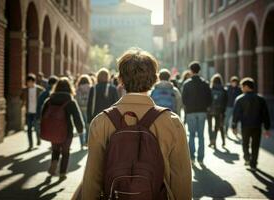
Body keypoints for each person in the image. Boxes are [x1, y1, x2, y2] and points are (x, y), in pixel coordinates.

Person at [81, 48, 192, 200]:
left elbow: (92, 177)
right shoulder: (171, 122)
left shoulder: (101, 122)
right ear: (155, 79)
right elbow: (181, 177)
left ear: (120, 80)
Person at [42, 77, 84, 179]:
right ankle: (62, 172)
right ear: (69, 88)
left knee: (55, 150)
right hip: (67, 131)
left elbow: (43, 114)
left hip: (53, 130)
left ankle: (54, 163)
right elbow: (76, 117)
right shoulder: (70, 101)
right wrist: (80, 130)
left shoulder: (50, 99)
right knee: (65, 152)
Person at [232, 77, 270, 171]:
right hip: (257, 125)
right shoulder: (261, 99)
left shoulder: (240, 99)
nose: (241, 88)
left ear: (246, 87)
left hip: (245, 126)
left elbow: (236, 114)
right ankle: (253, 164)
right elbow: (265, 114)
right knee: (255, 145)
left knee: (245, 143)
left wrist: (234, 126)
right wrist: (266, 127)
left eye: (242, 86)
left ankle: (247, 158)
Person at [181, 61, 212, 164]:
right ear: (199, 70)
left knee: (192, 135)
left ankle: (192, 158)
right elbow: (210, 99)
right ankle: (201, 158)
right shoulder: (205, 83)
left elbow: (183, 99)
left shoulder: (187, 84)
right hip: (202, 111)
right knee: (201, 135)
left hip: (190, 112)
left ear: (191, 70)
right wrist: (206, 106)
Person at [21, 73, 44, 150]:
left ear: (33, 82)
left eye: (30, 82)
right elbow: (21, 98)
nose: (28, 84)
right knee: (29, 129)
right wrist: (23, 104)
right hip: (29, 112)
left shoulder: (39, 89)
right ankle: (30, 144)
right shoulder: (25, 90)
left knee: (37, 128)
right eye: (27, 82)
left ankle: (38, 139)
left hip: (37, 112)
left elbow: (44, 97)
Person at [207, 74, 227, 148]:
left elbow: (207, 99)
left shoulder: (210, 89)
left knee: (209, 126)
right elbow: (225, 102)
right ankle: (214, 140)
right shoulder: (224, 90)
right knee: (216, 126)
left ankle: (211, 140)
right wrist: (223, 111)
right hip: (219, 111)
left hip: (209, 110)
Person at [75, 74, 92, 148]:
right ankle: (86, 142)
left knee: (80, 125)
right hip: (88, 109)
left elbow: (76, 99)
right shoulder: (90, 88)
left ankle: (81, 143)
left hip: (79, 109)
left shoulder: (78, 89)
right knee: (88, 125)